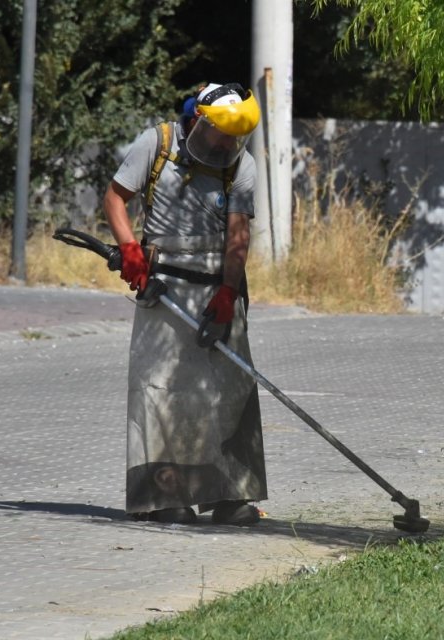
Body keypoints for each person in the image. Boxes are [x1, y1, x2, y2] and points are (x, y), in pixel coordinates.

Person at [102, 82, 265, 526]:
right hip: (163, 288)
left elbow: (238, 236)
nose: (230, 145)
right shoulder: (156, 145)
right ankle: (164, 495)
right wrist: (131, 250)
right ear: (200, 122)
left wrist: (228, 294)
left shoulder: (241, 166)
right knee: (160, 390)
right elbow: (115, 199)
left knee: (228, 392)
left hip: (216, 287)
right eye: (223, 134)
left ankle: (231, 496)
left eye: (238, 137)